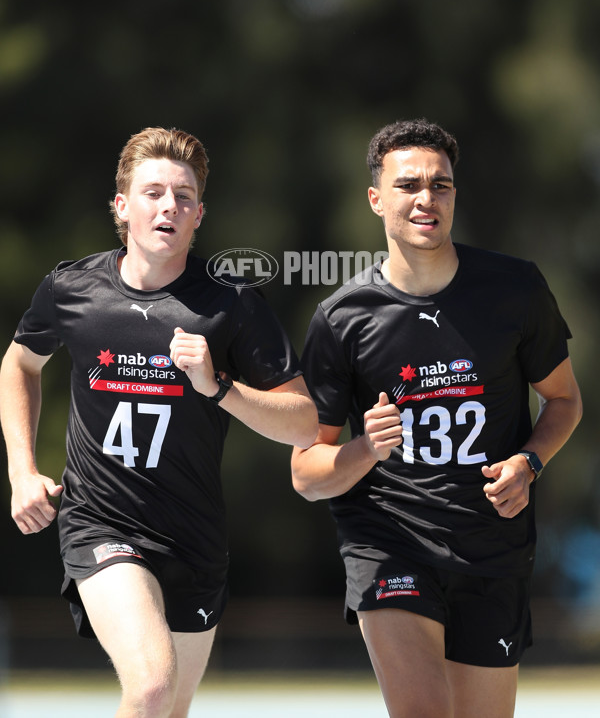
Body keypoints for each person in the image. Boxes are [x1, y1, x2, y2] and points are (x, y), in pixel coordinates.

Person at [0, 126, 317, 718]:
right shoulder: (72, 289)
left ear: (200, 215)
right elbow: (19, 363)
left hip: (194, 538)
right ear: (122, 207)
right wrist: (22, 469)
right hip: (100, 524)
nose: (169, 205)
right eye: (153, 192)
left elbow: (305, 424)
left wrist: (220, 388)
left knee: (168, 707)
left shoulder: (233, 306)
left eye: (184, 196)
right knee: (150, 684)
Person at [291, 119, 582, 718]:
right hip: (389, 541)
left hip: (491, 548)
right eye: (408, 185)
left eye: (441, 185)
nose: (427, 198)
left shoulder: (515, 289)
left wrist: (530, 463)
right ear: (376, 199)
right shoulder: (342, 319)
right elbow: (306, 472)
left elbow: (565, 401)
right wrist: (364, 450)